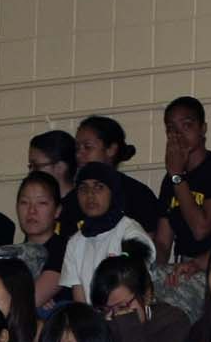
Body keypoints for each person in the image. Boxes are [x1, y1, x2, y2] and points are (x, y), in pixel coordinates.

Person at [155, 96, 211, 271]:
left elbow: (201, 228)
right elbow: (163, 242)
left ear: (202, 129)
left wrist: (177, 176)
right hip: (183, 267)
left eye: (187, 126)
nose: (178, 135)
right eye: (171, 129)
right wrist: (151, 272)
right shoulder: (170, 180)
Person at [93, 245, 192, 342]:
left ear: (146, 295)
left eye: (123, 307)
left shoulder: (173, 323)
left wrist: (130, 328)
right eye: (105, 310)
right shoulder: (104, 323)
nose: (114, 316)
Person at [62, 164, 155, 304]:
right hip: (94, 322)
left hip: (128, 316)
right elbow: (80, 302)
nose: (90, 195)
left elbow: (144, 290)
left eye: (99, 187)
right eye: (83, 188)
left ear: (113, 192)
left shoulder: (130, 232)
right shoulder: (75, 242)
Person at [73, 115, 165, 233]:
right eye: (77, 148)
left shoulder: (137, 195)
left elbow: (149, 244)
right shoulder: (74, 196)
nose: (79, 155)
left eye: (87, 147)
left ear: (111, 149)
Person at [15, 172, 69, 309]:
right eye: (24, 202)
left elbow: (26, 305)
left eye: (42, 203)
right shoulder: (13, 253)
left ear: (57, 211)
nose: (32, 210)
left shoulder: (65, 250)